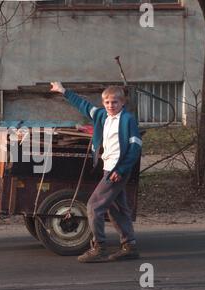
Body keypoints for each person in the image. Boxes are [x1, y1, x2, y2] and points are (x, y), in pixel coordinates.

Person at [50, 82, 142, 263]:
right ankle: (129, 246)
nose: (110, 105)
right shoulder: (101, 115)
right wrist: (63, 91)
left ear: (122, 103)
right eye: (107, 102)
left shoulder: (127, 120)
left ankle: (99, 247)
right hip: (108, 167)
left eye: (115, 102)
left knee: (93, 206)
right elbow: (83, 105)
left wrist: (121, 170)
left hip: (117, 170)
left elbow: (135, 147)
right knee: (117, 209)